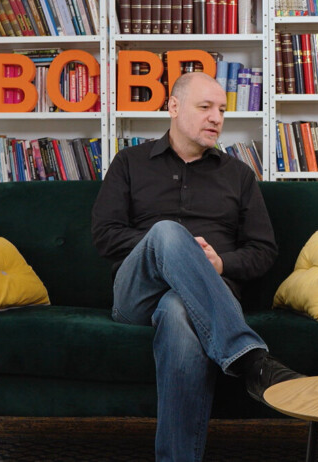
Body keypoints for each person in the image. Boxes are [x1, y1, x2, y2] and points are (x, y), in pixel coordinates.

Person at [91, 72, 303, 461]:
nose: (216, 118)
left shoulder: (239, 175)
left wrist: (219, 263)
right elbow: (105, 235)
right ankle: (251, 359)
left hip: (207, 295)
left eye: (221, 110)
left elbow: (262, 250)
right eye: (205, 107)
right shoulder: (129, 163)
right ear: (173, 107)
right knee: (167, 232)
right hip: (137, 294)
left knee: (178, 310)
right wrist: (170, 248)